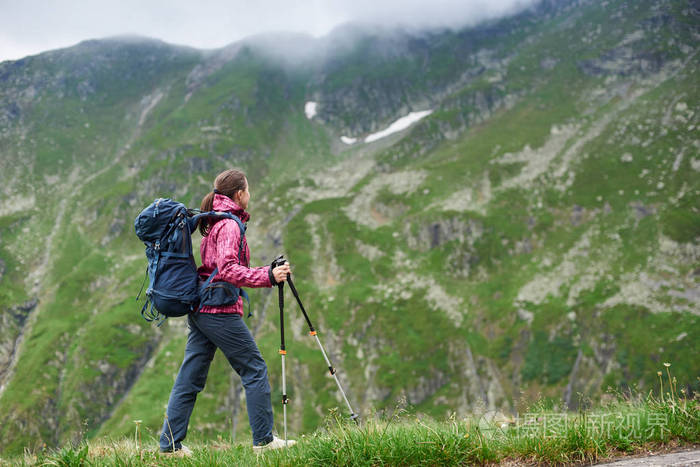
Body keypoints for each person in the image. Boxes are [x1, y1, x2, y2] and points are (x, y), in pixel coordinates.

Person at [159, 169, 296, 455]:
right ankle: (265, 442)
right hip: (218, 309)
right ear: (239, 194)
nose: (250, 194)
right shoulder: (230, 225)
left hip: (201, 306)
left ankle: (170, 446)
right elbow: (229, 269)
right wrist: (269, 276)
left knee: (190, 377)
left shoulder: (215, 221)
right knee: (254, 368)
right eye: (249, 189)